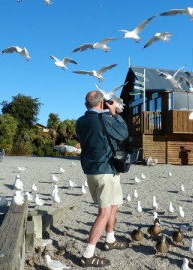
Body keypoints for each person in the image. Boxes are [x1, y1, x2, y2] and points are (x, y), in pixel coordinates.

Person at [75, 91, 129, 267]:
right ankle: (88, 254)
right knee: (104, 213)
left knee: (113, 205)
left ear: (86, 105)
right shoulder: (105, 118)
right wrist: (114, 113)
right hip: (105, 170)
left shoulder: (80, 122)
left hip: (91, 171)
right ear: (102, 104)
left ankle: (110, 239)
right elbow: (123, 134)